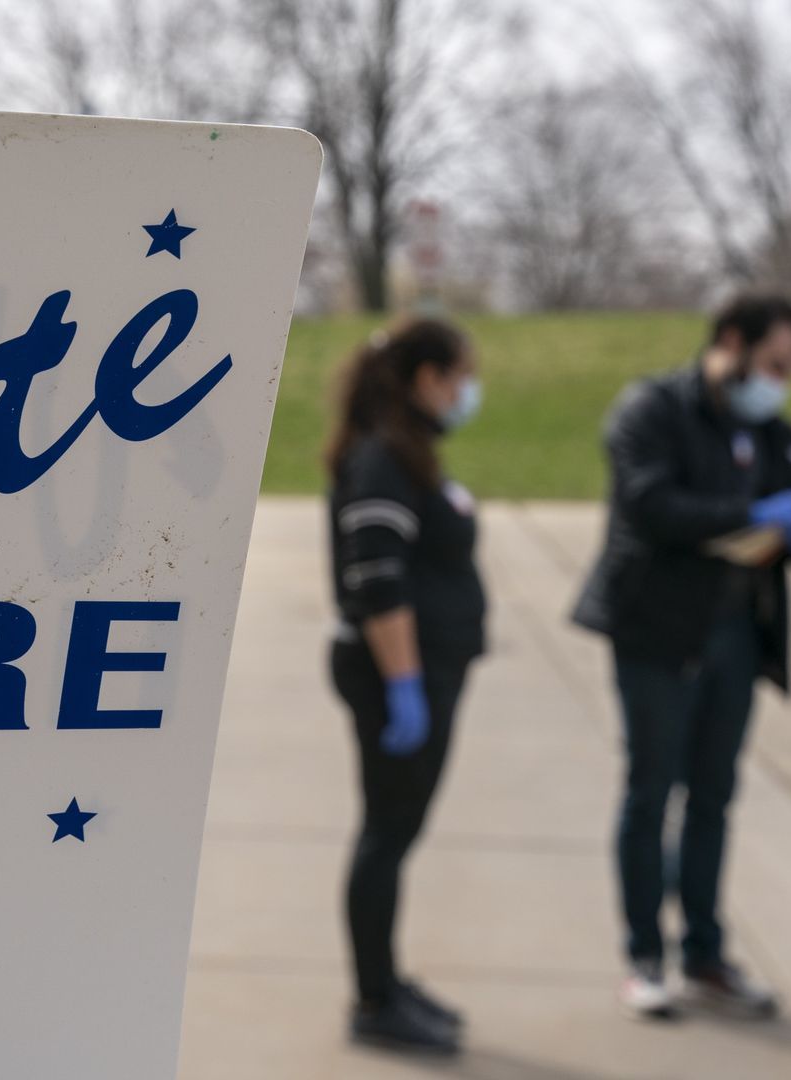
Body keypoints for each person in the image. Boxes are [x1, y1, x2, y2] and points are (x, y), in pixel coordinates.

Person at [571, 294, 791, 1020]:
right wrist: (750, 514)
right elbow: (651, 504)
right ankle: (643, 955)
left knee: (714, 795)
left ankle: (706, 953)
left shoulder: (771, 433)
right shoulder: (651, 410)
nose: (781, 381)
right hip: (657, 631)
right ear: (732, 341)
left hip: (737, 635)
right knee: (650, 790)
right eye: (775, 363)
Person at [325, 318, 487, 1055]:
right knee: (385, 836)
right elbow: (377, 580)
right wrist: (405, 685)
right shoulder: (383, 457)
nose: (466, 391)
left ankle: (385, 980)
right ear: (427, 377)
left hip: (421, 671)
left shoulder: (407, 451)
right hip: (395, 675)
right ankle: (374, 999)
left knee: (395, 834)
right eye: (461, 376)